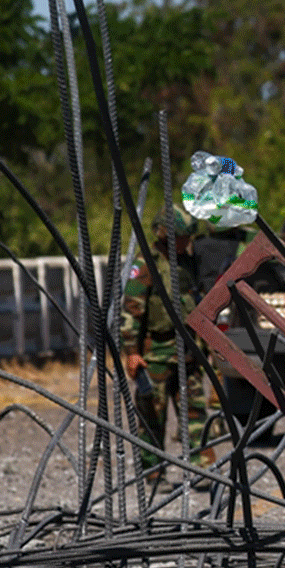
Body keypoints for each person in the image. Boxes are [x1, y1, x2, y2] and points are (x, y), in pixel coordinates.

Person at [121, 205, 216, 479]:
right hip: (156, 354)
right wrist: (131, 352)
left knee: (196, 410)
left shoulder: (187, 264)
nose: (187, 244)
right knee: (152, 415)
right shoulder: (144, 265)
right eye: (182, 239)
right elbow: (131, 311)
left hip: (187, 353)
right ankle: (151, 469)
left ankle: (205, 467)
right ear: (165, 236)